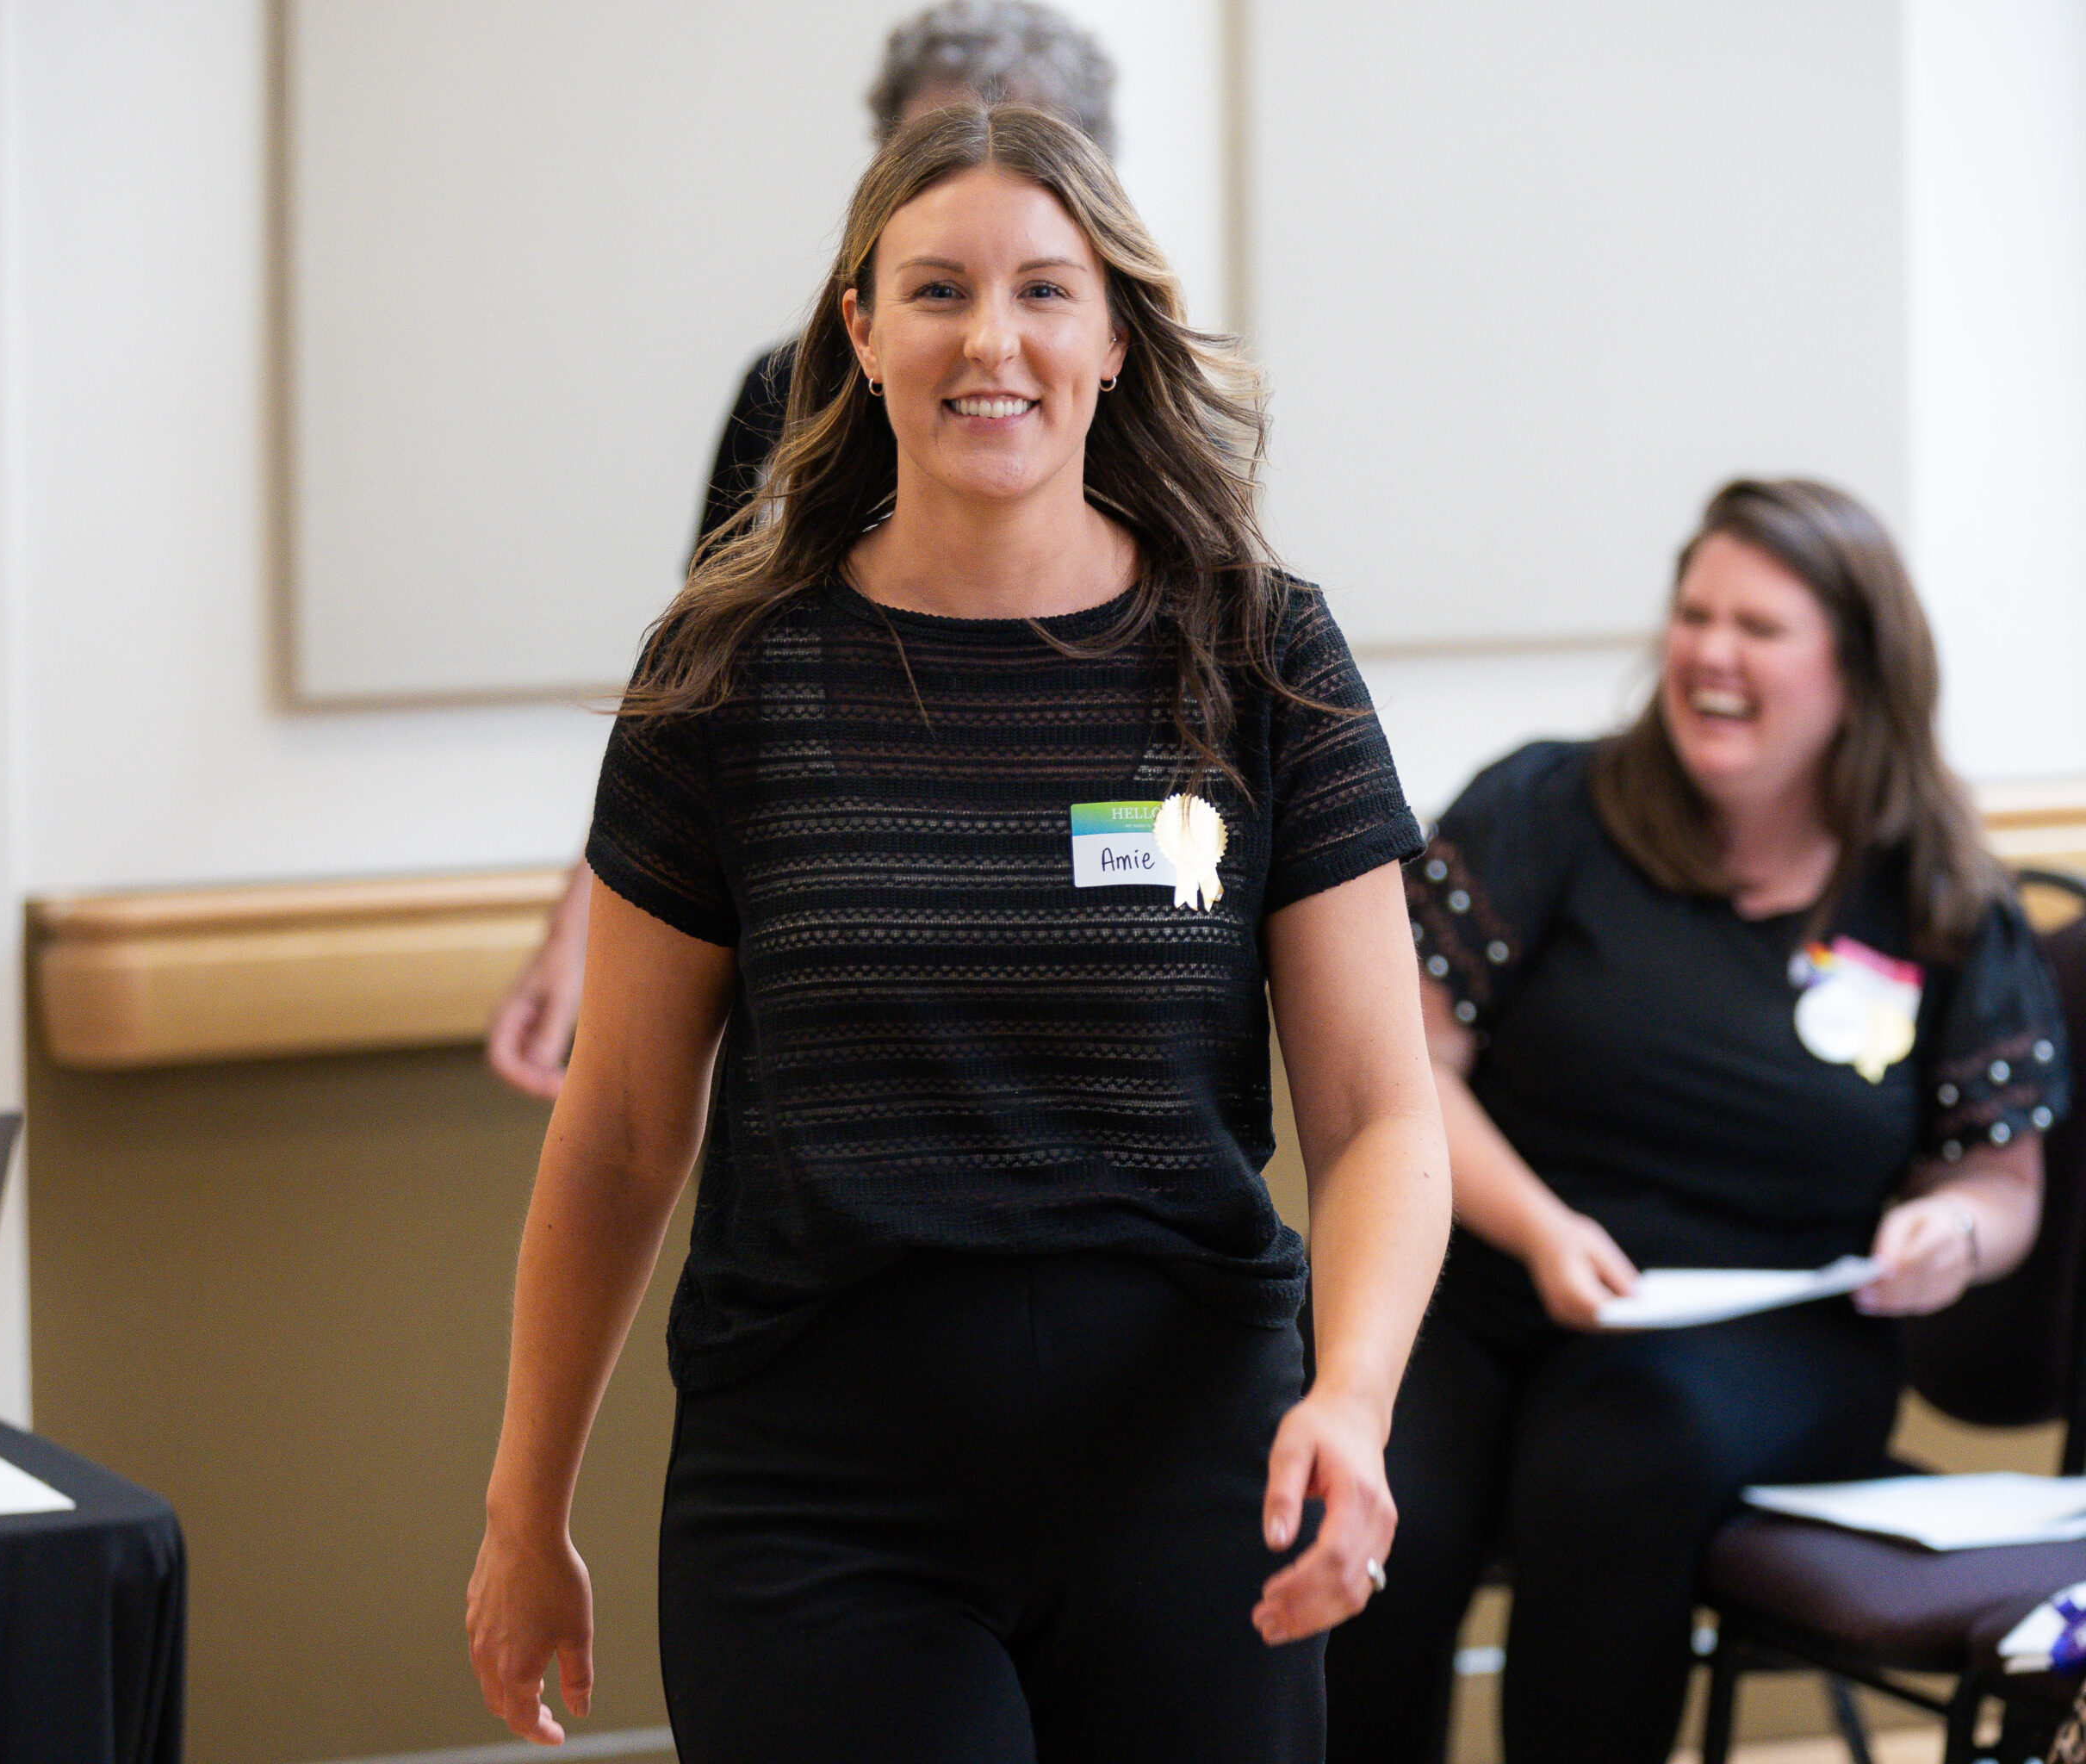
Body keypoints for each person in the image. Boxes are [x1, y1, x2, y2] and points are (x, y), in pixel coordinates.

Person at [464, 102, 1450, 1761]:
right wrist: (521, 1505)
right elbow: (624, 1128)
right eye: (937, 291)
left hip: (1194, 1470)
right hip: (822, 1495)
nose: (992, 340)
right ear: (856, 332)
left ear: (1116, 335)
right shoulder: (728, 674)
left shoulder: (1262, 654)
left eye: (1046, 292)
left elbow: (1376, 1115)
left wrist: (1349, 1397)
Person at [1324, 478, 2072, 1763]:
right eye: (1693, 615)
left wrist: (1953, 1232)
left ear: (1858, 670)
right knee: (1373, 1455)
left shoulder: (1940, 894)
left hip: (1768, 1330)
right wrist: (1544, 1229)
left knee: (1619, 1449)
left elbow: (2000, 1183)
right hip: (1493, 1276)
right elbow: (1412, 1076)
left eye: (1760, 628)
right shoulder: (1549, 808)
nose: (1711, 655)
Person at [487, 0, 1118, 1102]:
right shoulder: (786, 391)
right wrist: (583, 921)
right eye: (930, 156)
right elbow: (685, 696)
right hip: (836, 931)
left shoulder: (1129, 410)